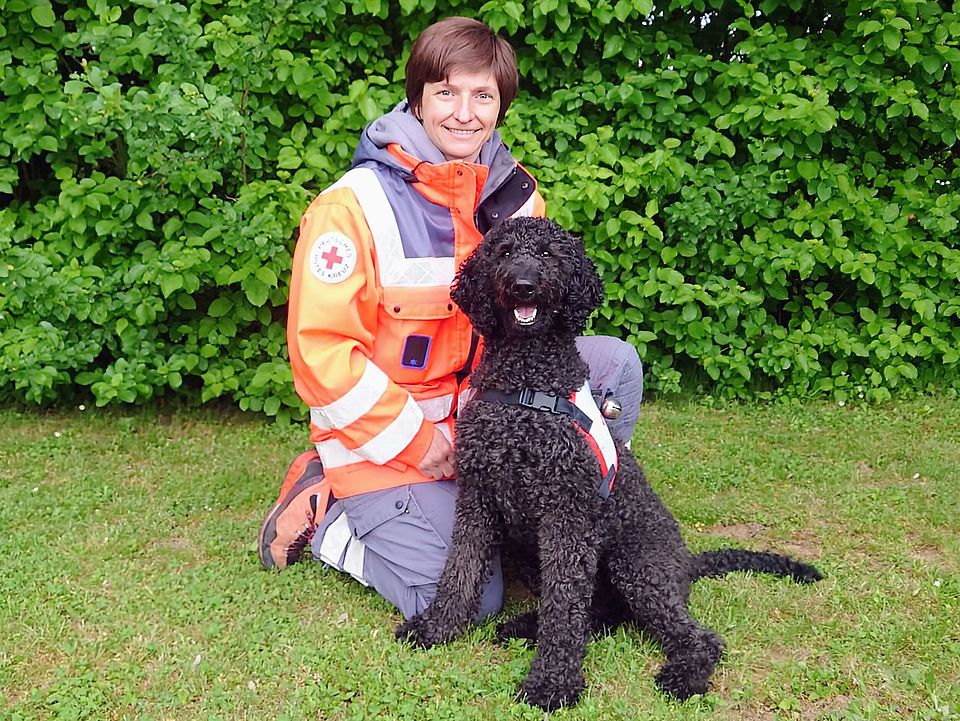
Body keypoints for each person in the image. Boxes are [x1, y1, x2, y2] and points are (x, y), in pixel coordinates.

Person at [257, 16, 644, 620]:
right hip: (387, 438)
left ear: (501, 106)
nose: (465, 113)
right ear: (417, 98)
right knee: (473, 599)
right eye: (446, 93)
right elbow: (322, 357)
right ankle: (327, 514)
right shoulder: (351, 208)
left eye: (482, 96)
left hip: (483, 413)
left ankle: (566, 518)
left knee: (616, 364)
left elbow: (535, 317)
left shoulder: (518, 197)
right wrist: (421, 439)